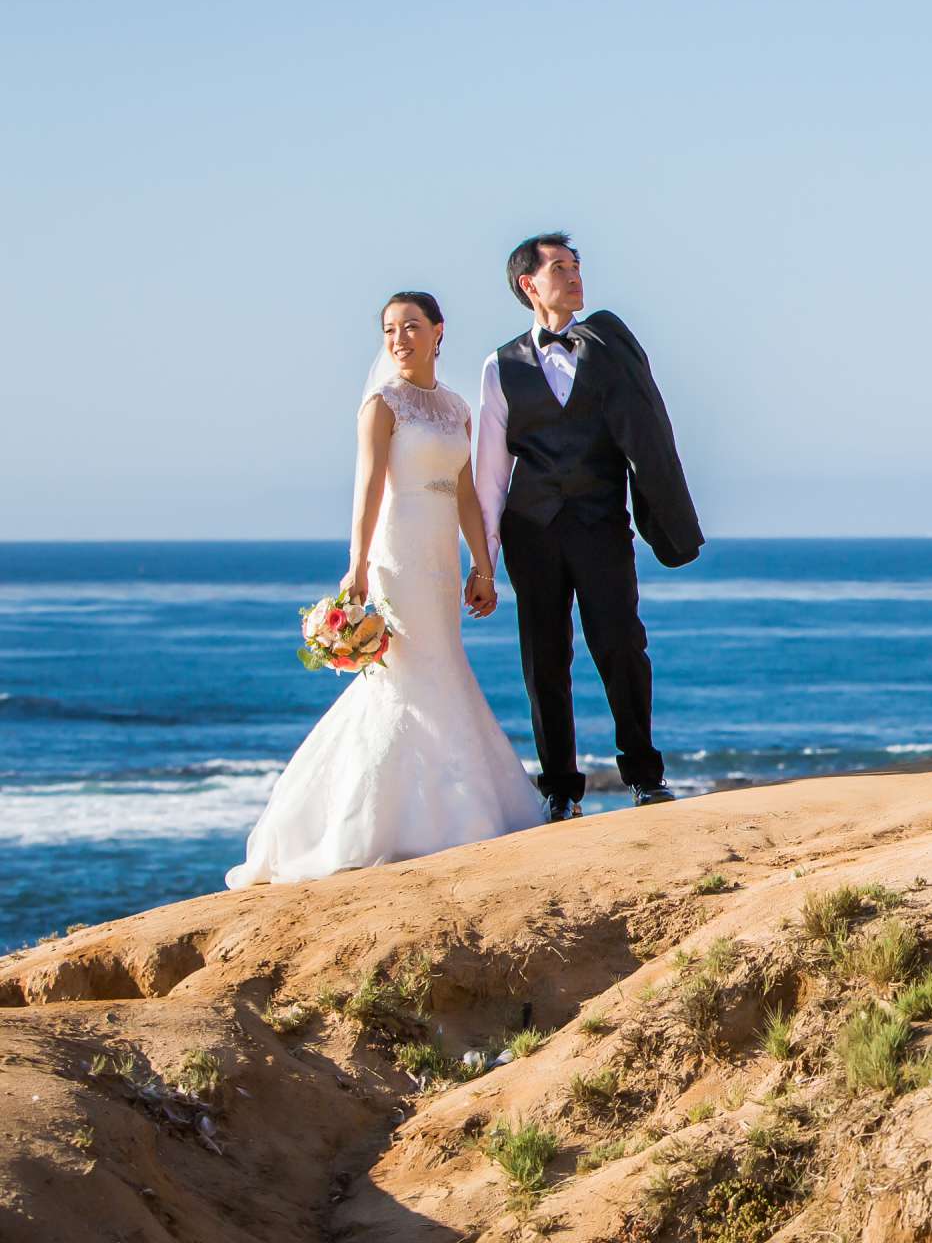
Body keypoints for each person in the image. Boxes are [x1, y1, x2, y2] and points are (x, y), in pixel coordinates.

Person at [227, 292, 544, 887]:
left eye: (411, 327)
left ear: (438, 333)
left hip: (441, 561)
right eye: (390, 330)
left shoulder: (455, 408)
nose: (400, 339)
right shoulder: (381, 405)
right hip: (397, 558)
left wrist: (483, 564)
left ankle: (440, 812)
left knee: (441, 669)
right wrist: (357, 567)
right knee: (405, 679)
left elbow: (467, 493)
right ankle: (372, 823)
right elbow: (368, 486)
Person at [475, 232, 702, 822]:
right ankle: (559, 790)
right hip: (532, 530)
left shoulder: (605, 348)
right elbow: (490, 471)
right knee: (544, 660)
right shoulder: (499, 367)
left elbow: (647, 429)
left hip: (602, 525)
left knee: (621, 646)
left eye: (577, 266)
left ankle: (645, 778)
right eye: (560, 268)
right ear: (529, 284)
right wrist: (484, 562)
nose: (575, 277)